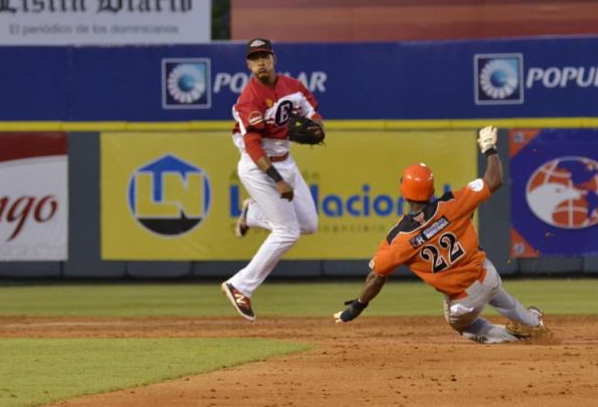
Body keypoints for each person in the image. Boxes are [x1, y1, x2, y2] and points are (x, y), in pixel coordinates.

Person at [333, 126, 548, 343]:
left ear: (403, 193)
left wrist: (356, 307)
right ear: (432, 190)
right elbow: (495, 179)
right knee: (498, 293)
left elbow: (376, 277)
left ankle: (514, 337)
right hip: (487, 274)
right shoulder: (452, 203)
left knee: (463, 326)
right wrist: (489, 147)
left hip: (464, 301)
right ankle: (531, 322)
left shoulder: (399, 239)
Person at [221, 38, 324, 321]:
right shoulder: (249, 99)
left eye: (264, 56)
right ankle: (240, 286)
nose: (260, 62)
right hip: (258, 168)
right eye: (255, 58)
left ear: (274, 58)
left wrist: (319, 126)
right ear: (248, 64)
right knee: (287, 232)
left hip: (285, 161)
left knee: (309, 225)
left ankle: (251, 214)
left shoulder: (293, 86)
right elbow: (254, 147)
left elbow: (313, 112)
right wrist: (278, 180)